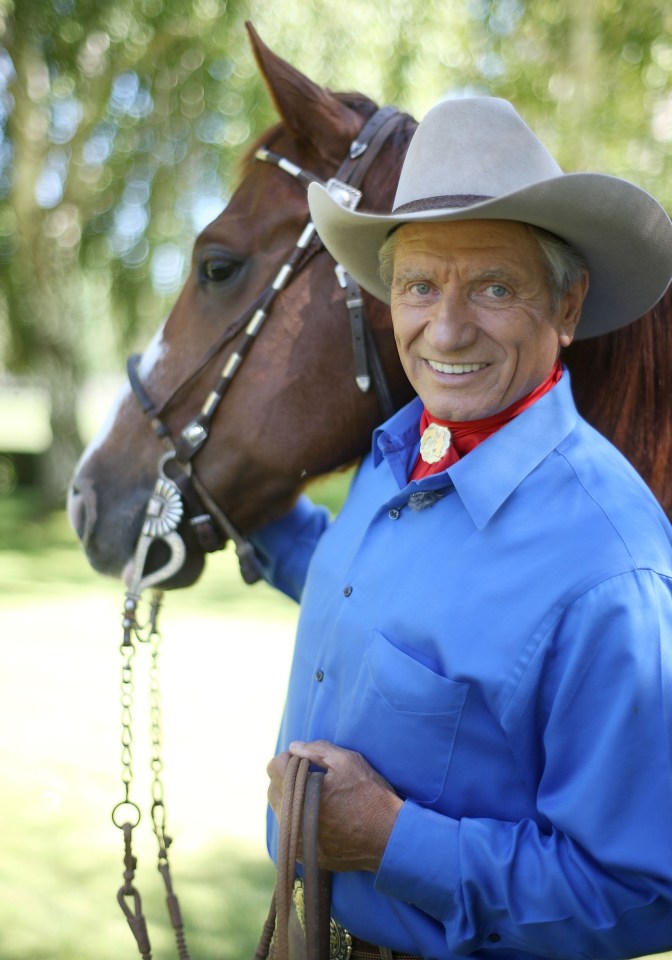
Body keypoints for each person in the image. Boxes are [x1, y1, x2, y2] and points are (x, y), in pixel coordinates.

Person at [250, 96, 672, 960]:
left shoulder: (613, 572)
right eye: (418, 286)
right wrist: (259, 519)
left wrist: (389, 840)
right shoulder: (401, 453)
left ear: (567, 305)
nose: (445, 328)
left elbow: (642, 893)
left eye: (493, 286)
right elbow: (380, 593)